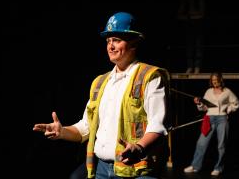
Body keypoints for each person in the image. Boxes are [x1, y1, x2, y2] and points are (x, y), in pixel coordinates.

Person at [33, 11, 171, 179]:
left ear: (134, 43)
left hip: (137, 169)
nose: (110, 46)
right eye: (108, 41)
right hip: (102, 170)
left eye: (117, 40)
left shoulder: (149, 76)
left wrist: (139, 147)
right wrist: (62, 132)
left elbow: (158, 125)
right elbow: (86, 127)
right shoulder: (100, 82)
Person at [184, 72, 239, 176]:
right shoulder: (209, 91)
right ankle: (195, 166)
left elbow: (236, 103)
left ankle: (218, 168)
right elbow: (204, 108)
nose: (214, 81)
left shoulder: (227, 91)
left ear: (220, 80)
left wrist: (228, 109)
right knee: (201, 143)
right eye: (212, 80)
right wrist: (199, 103)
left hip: (222, 119)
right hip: (210, 118)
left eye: (216, 79)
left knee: (221, 145)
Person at [175, 0, 206, 74]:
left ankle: (197, 67)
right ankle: (189, 66)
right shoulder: (185, 3)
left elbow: (201, 14)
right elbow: (179, 15)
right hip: (189, 26)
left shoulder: (198, 0)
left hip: (198, 25)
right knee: (189, 47)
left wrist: (190, 15)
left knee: (198, 46)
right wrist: (190, 16)